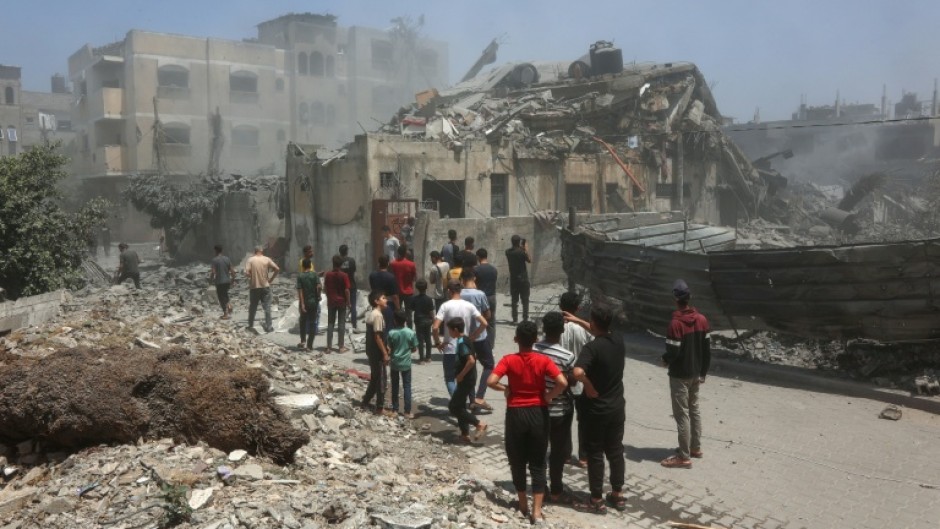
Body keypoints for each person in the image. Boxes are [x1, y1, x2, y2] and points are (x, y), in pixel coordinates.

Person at [487, 321, 568, 525]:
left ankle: (522, 504)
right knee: (538, 462)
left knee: (517, 460)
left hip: (515, 413)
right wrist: (549, 396)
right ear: (535, 340)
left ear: (516, 339)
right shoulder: (543, 360)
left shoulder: (509, 360)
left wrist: (505, 389)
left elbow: (490, 381)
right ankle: (537, 511)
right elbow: (563, 383)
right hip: (538, 413)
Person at [572, 305, 626, 514]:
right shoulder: (618, 341)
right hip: (616, 408)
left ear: (594, 324)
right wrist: (578, 321)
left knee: (595, 454)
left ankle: (596, 500)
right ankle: (618, 495)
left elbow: (577, 372)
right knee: (615, 451)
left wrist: (588, 385)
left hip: (595, 411)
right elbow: (598, 330)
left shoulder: (591, 348)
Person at [661, 279, 711, 469]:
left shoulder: (675, 324)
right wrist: (703, 372)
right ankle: (695, 448)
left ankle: (683, 457)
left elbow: (673, 352)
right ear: (689, 298)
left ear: (675, 299)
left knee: (682, 415)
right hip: (696, 374)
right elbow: (707, 350)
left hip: (680, 375)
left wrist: (664, 360)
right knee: (694, 410)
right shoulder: (702, 320)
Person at [533, 312, 578, 503]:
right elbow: (572, 383)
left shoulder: (533, 350)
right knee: (557, 453)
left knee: (539, 450)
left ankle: (539, 488)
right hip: (559, 412)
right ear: (561, 331)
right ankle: (557, 490)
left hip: (536, 409)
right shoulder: (567, 356)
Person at [433, 281, 487, 396]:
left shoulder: (445, 305)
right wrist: (473, 336)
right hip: (465, 347)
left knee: (450, 378)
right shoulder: (469, 305)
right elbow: (484, 323)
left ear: (449, 291)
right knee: (466, 376)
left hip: (449, 348)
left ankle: (456, 402)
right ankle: (468, 402)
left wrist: (438, 342)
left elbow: (435, 327)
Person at [560, 291, 594, 467]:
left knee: (565, 419)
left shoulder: (555, 328)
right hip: (581, 380)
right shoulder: (583, 329)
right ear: (578, 308)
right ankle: (584, 457)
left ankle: (565, 455)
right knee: (585, 420)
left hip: (562, 381)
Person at [447, 317, 488, 443]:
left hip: (466, 379)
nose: (448, 333)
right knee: (460, 406)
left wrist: (461, 375)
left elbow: (471, 360)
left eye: (449, 330)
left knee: (453, 407)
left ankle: (479, 424)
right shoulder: (464, 339)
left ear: (455, 330)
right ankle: (465, 434)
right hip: (468, 378)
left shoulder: (462, 343)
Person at [459, 269, 494, 411]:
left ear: (462, 280)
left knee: (469, 367)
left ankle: (472, 399)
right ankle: (480, 397)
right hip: (480, 336)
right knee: (489, 365)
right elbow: (488, 314)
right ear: (473, 278)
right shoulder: (480, 294)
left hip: (464, 338)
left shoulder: (458, 294)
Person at [362, 291, 391, 415]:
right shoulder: (378, 315)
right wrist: (384, 353)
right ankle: (379, 407)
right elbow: (377, 337)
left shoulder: (373, 314)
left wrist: (386, 346)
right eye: (384, 298)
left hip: (371, 350)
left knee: (375, 378)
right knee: (380, 379)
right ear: (376, 301)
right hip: (376, 351)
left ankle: (365, 402)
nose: (386, 300)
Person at [388, 310, 418, 418]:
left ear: (395, 321)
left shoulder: (391, 333)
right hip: (406, 363)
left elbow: (389, 348)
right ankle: (407, 411)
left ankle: (395, 410)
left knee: (395, 386)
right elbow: (414, 348)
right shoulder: (411, 332)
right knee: (407, 386)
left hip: (395, 363)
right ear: (405, 321)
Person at [245, 246, 280, 333]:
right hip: (265, 287)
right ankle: (269, 327)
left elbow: (246, 272)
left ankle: (250, 325)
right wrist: (271, 280)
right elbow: (277, 269)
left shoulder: (251, 260)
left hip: (254, 287)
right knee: (267, 308)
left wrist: (252, 277)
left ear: (255, 251)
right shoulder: (267, 259)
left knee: (253, 307)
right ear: (262, 251)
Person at [324, 254, 351, 353]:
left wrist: (328, 297)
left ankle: (328, 347)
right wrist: (348, 301)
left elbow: (325, 288)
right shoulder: (344, 275)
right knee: (341, 324)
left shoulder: (328, 274)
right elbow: (347, 290)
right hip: (342, 302)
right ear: (341, 264)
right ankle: (341, 347)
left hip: (331, 301)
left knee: (330, 323)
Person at [369, 255, 399, 339]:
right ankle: (387, 345)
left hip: (376, 303)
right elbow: (395, 296)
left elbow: (372, 289)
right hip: (388, 304)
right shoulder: (391, 277)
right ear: (388, 264)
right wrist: (398, 308)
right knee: (388, 326)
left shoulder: (372, 276)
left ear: (378, 264)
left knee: (377, 326)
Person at [474, 248, 498, 350]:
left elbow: (474, 284)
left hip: (481, 297)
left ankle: (480, 346)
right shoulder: (494, 269)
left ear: (478, 257)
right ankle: (490, 346)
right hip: (492, 297)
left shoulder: (476, 270)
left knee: (479, 321)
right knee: (491, 323)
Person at [389, 245, 417, 328]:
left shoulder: (392, 264)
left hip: (397, 292)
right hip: (409, 292)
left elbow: (390, 276)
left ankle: (398, 328)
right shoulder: (411, 264)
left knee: (397, 312)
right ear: (405, 253)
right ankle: (410, 330)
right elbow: (414, 278)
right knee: (409, 313)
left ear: (398, 252)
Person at [296, 258, 321, 350]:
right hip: (313, 302)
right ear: (310, 265)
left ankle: (303, 341)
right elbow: (319, 286)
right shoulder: (315, 275)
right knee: (312, 323)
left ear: (302, 266)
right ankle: (309, 345)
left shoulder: (300, 276)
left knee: (302, 321)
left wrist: (302, 304)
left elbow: (300, 291)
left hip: (304, 303)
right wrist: (318, 296)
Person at [505, 235, 531, 323]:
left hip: (514, 279)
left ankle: (515, 319)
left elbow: (515, 251)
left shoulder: (508, 252)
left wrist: (521, 247)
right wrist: (526, 248)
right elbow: (529, 260)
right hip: (523, 279)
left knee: (514, 300)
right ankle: (525, 318)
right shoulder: (522, 252)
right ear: (519, 242)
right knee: (525, 300)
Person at [209, 244, 236, 319]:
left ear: (215, 250)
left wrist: (210, 280)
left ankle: (225, 314)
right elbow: (233, 271)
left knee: (221, 298)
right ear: (222, 250)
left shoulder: (214, 260)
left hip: (219, 282)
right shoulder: (227, 259)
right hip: (227, 281)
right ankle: (229, 305)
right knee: (225, 295)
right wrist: (233, 280)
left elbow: (213, 272)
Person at [412, 279, 435, 364]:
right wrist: (433, 320)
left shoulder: (414, 299)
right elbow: (431, 311)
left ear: (417, 288)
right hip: (428, 321)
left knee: (420, 340)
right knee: (428, 338)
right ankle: (428, 357)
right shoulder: (429, 299)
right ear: (426, 288)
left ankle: (421, 359)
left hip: (418, 320)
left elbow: (412, 309)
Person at [339, 244, 359, 331]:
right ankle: (354, 325)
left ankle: (341, 325)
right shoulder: (351, 260)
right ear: (347, 251)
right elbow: (354, 271)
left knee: (342, 306)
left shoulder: (337, 261)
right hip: (351, 285)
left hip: (342, 286)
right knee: (353, 306)